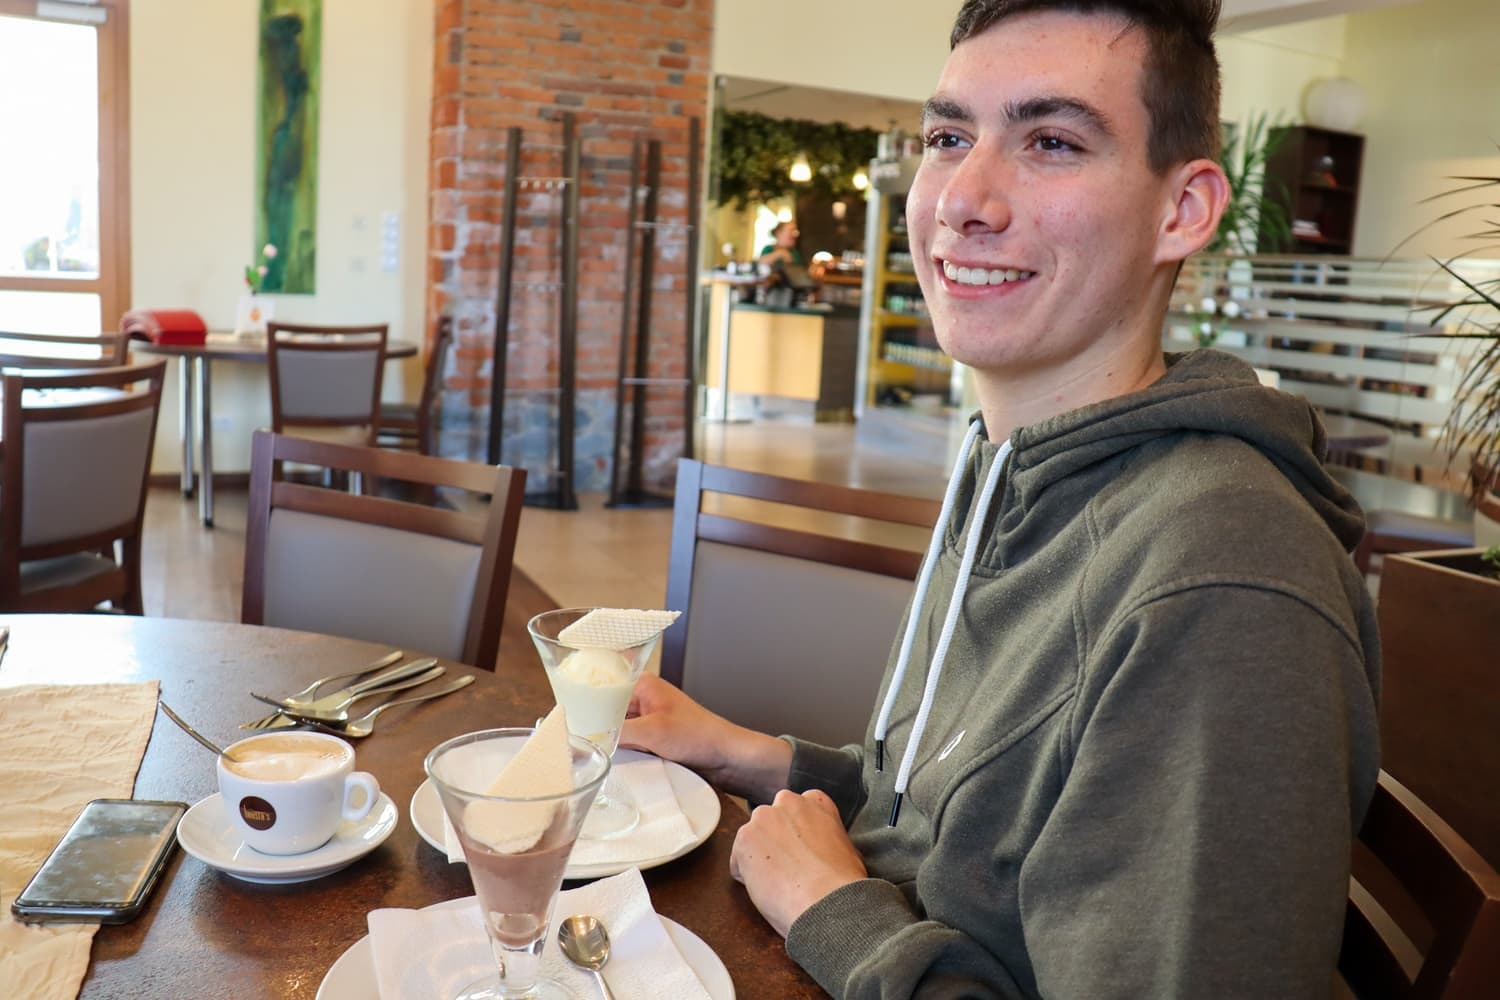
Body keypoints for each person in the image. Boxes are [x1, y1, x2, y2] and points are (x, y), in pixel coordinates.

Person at [622, 1, 1380, 997]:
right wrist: (755, 756)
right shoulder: (1010, 464)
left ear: (1184, 209)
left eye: (1052, 142)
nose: (963, 199)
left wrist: (828, 909)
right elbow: (955, 823)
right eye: (948, 138)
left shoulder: (1223, 586)